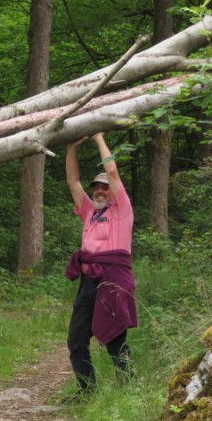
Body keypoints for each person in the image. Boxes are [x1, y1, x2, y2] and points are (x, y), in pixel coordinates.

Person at [64, 132, 137, 395]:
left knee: (115, 340)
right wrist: (71, 146)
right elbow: (72, 180)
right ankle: (86, 392)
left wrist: (97, 138)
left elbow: (113, 172)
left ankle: (129, 391)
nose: (100, 190)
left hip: (113, 281)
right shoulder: (89, 212)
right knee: (76, 339)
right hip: (88, 283)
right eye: (97, 186)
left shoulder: (122, 210)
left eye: (105, 187)